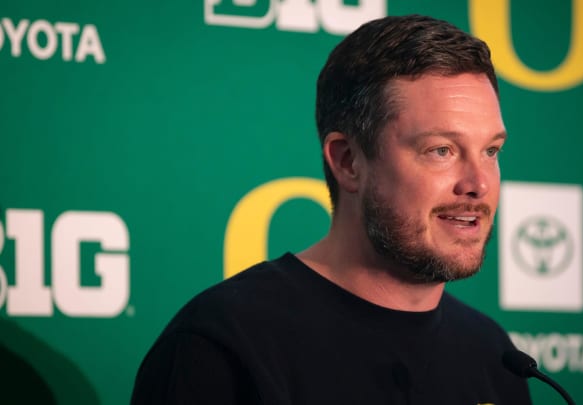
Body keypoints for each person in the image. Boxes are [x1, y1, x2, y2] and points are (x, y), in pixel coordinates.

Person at [131, 14, 531, 404]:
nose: (478, 184)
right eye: (441, 150)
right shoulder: (221, 345)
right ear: (347, 161)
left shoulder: (494, 355)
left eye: (491, 151)